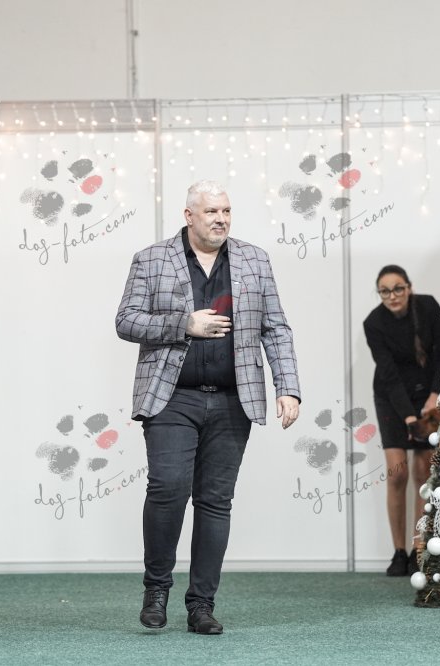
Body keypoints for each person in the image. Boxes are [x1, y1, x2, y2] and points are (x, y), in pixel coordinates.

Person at [116, 180, 301, 635]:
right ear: (189, 216)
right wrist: (184, 324)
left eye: (226, 211)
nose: (221, 219)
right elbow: (126, 321)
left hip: (234, 398)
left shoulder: (254, 259)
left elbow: (276, 328)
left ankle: (201, 604)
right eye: (212, 211)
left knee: (216, 502)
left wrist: (288, 387)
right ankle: (156, 589)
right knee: (167, 488)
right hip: (171, 396)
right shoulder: (151, 259)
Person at [362, 265, 440, 576]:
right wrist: (409, 417)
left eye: (398, 288)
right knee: (397, 473)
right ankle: (399, 552)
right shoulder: (373, 323)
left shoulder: (428, 307)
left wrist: (435, 394)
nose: (392, 296)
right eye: (385, 291)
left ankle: (418, 549)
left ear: (409, 288)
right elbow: (388, 373)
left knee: (423, 472)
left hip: (428, 395)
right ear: (379, 294)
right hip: (391, 398)